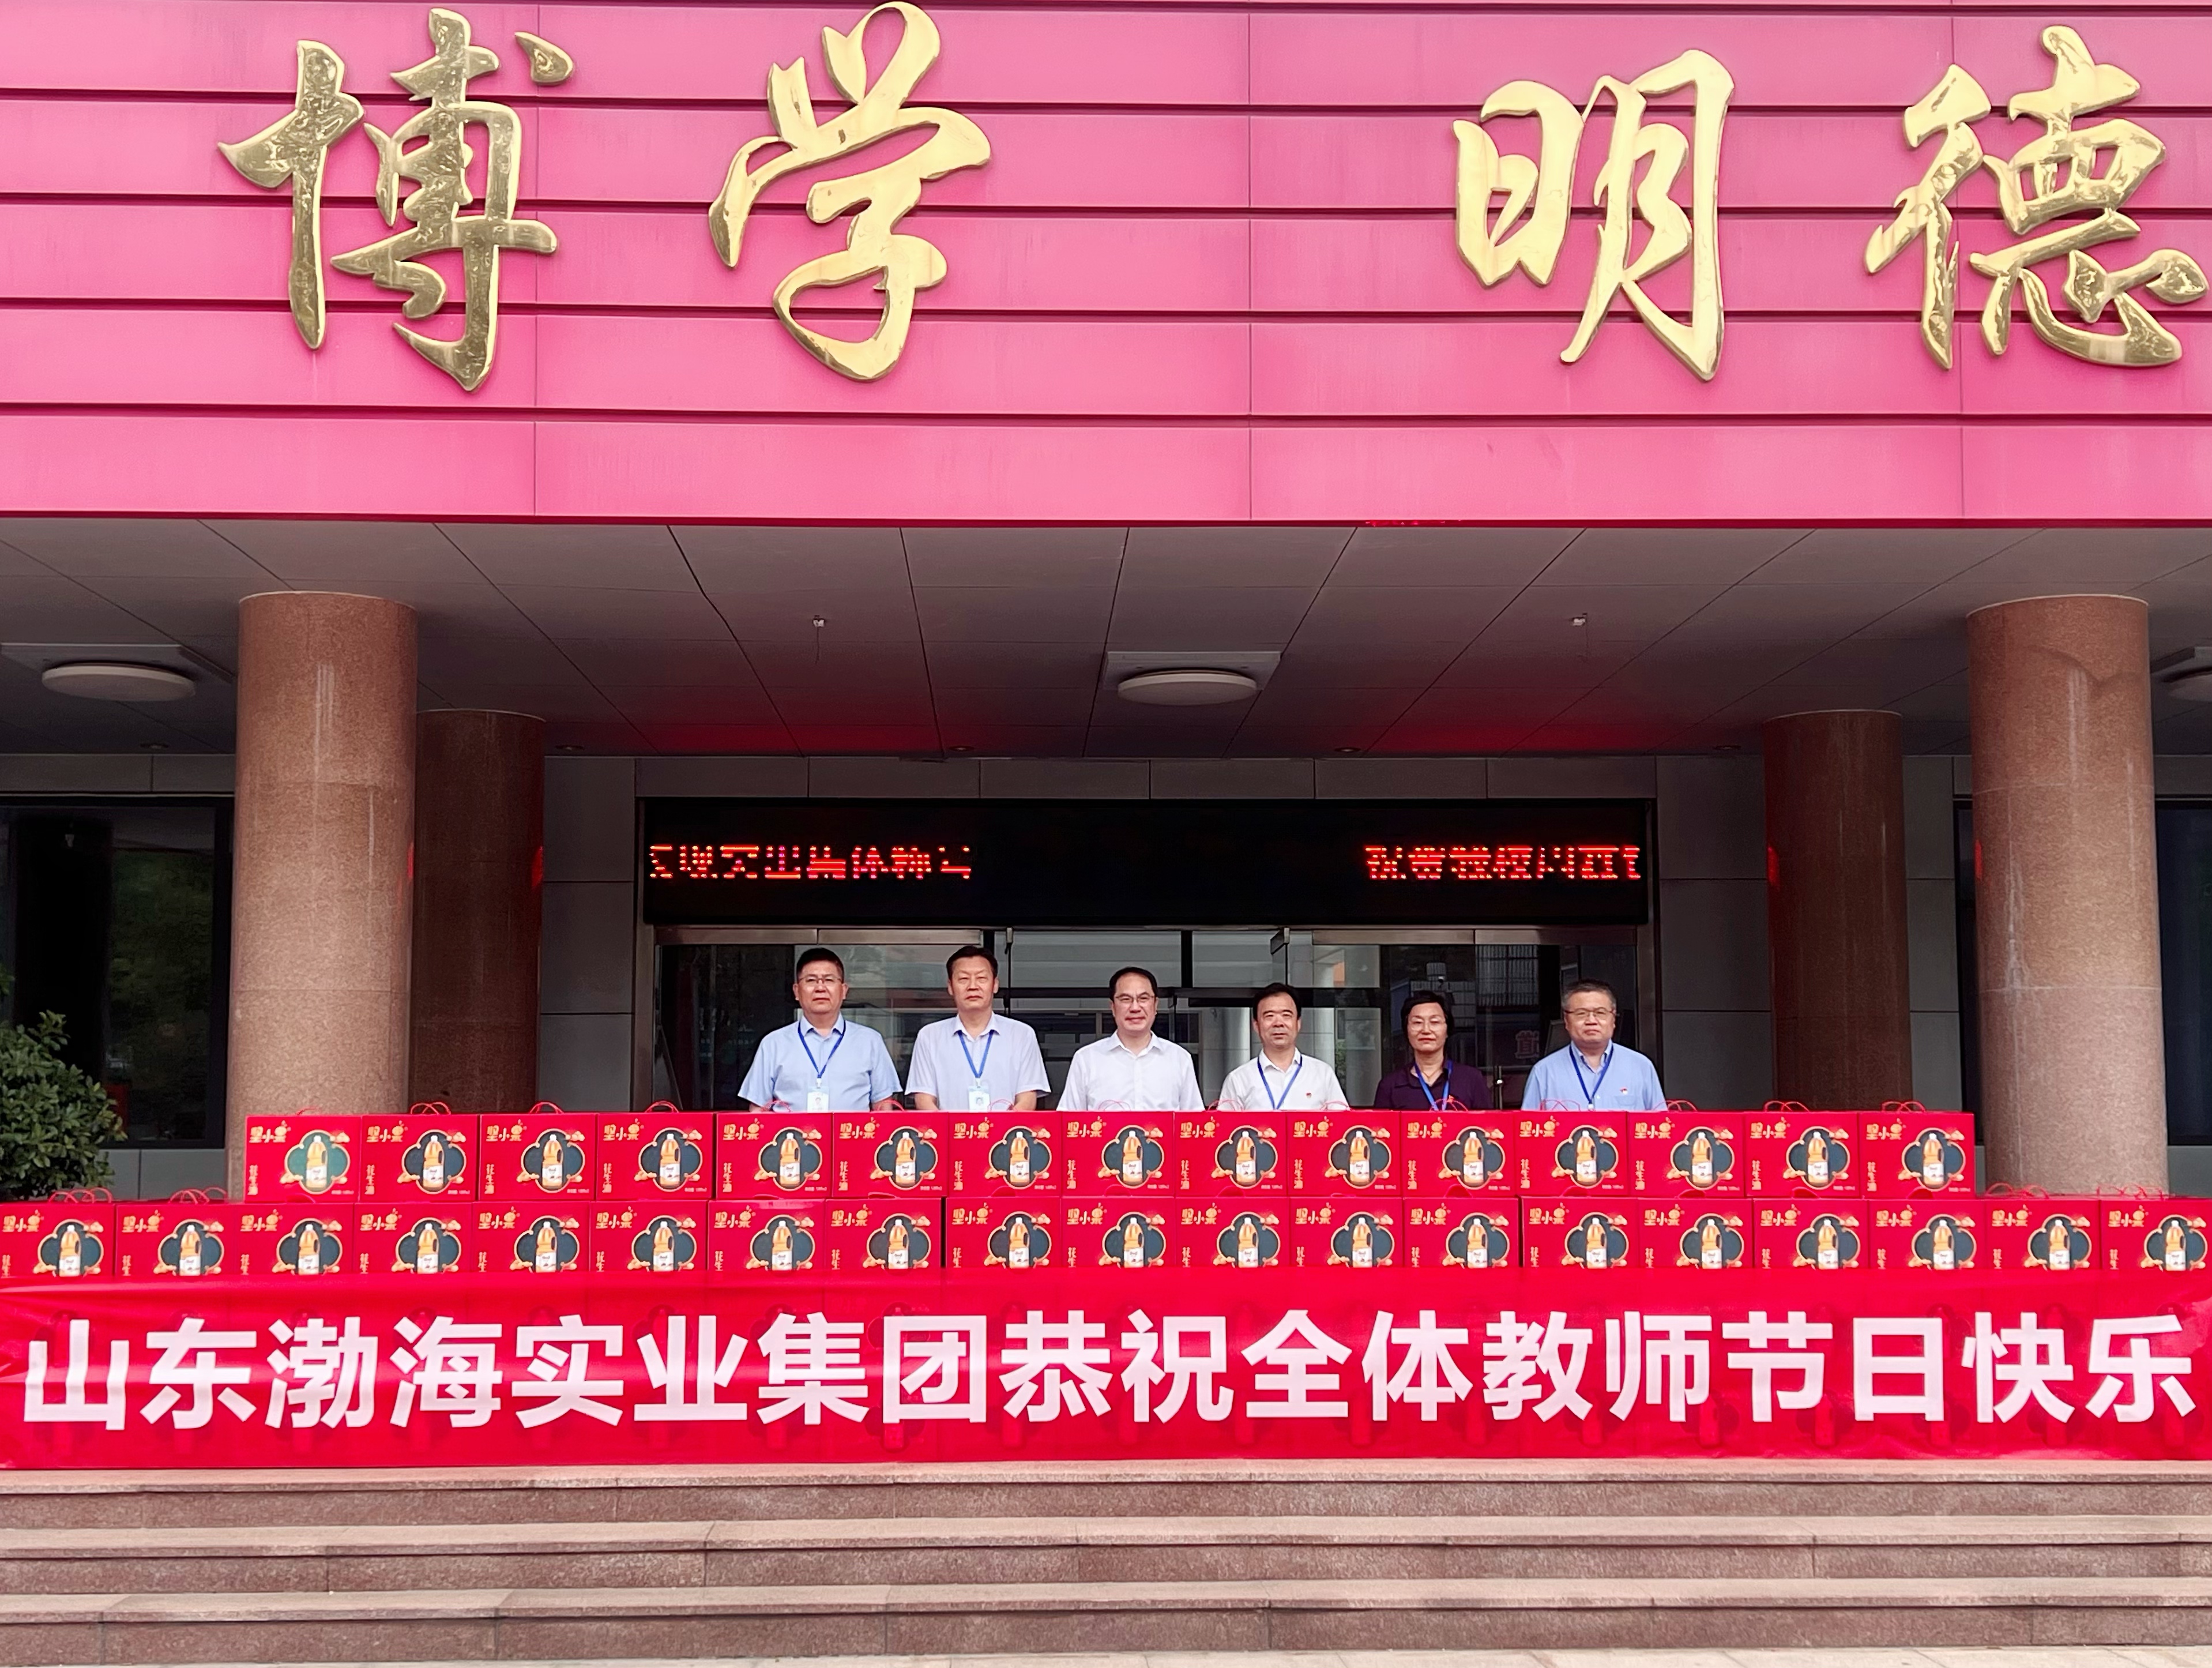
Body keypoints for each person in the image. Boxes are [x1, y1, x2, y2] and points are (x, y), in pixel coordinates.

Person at [738, 946, 902, 1112]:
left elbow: (883, 1107)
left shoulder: (870, 1041)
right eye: (811, 980)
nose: (820, 988)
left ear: (844, 990)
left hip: (851, 1130)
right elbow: (759, 1109)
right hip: (790, 1131)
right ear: (797, 991)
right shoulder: (773, 1044)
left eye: (829, 980)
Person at [906, 945, 1051, 1113]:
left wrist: (1003, 1127)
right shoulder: (929, 1037)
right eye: (963, 979)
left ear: (995, 985)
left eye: (982, 978)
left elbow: (1027, 1099)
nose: (973, 986)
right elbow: (924, 1099)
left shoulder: (1022, 1035)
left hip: (1005, 1129)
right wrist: (949, 1128)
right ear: (951, 987)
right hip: (950, 1130)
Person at [1060, 966, 1202, 1111]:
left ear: (1155, 1005)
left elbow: (1194, 1119)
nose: (1135, 1008)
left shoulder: (1179, 1058)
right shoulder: (1086, 1059)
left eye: (1143, 999)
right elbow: (1067, 1120)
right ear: (1113, 1007)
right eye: (1126, 999)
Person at [1521, 979, 1665, 1111]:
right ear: (1567, 1020)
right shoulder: (1544, 1072)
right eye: (1581, 1013)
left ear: (1613, 1018)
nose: (1591, 1021)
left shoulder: (1641, 1067)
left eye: (1600, 1013)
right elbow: (1527, 1127)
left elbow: (1661, 1125)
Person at [1217, 983, 1349, 1112]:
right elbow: (1225, 1126)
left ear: (1298, 1023)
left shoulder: (1323, 1074)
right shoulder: (1238, 1080)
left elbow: (1343, 1123)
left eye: (1286, 1015)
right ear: (1256, 1026)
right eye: (1269, 1016)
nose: (1278, 1023)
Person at [1371, 993, 1494, 1110]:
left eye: (1434, 1022)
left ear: (1447, 1030)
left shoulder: (1472, 1079)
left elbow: (1488, 1123)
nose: (1426, 1030)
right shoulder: (1390, 1085)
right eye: (1417, 1023)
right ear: (1407, 1031)